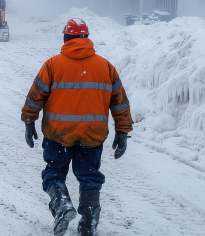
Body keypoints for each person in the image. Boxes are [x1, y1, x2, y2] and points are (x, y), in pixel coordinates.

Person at [21, 18, 132, 236]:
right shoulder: (105, 66)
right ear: (86, 38)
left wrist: (29, 121)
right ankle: (89, 222)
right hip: (92, 136)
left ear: (66, 38)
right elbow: (119, 102)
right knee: (90, 176)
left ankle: (62, 204)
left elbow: (35, 97)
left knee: (54, 172)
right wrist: (122, 131)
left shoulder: (53, 65)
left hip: (58, 135)